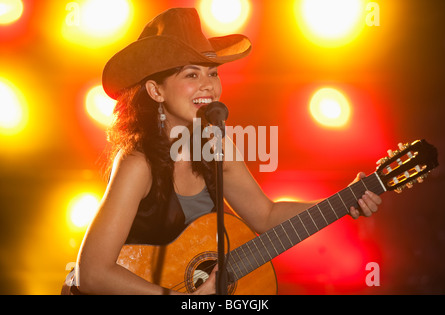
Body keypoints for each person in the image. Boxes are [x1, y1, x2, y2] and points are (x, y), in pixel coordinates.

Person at [62, 7, 382, 295]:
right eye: (191, 74)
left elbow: (266, 215)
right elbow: (92, 274)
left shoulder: (217, 147)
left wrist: (345, 199)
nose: (208, 85)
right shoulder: (138, 163)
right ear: (155, 90)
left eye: (212, 73)